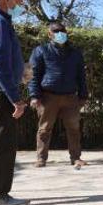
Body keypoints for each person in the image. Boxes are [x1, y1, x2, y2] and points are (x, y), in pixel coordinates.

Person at [28, 22, 89, 168]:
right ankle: (41, 158)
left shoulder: (75, 53)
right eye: (55, 31)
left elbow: (81, 75)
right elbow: (32, 74)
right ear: (49, 34)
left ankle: (76, 158)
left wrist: (83, 95)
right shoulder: (40, 50)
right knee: (44, 128)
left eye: (62, 31)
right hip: (48, 96)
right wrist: (34, 95)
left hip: (70, 96)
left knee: (74, 128)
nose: (59, 33)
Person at [0, 0, 29, 205]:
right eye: (17, 0)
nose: (19, 5)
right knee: (2, 141)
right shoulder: (0, 22)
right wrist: (14, 98)